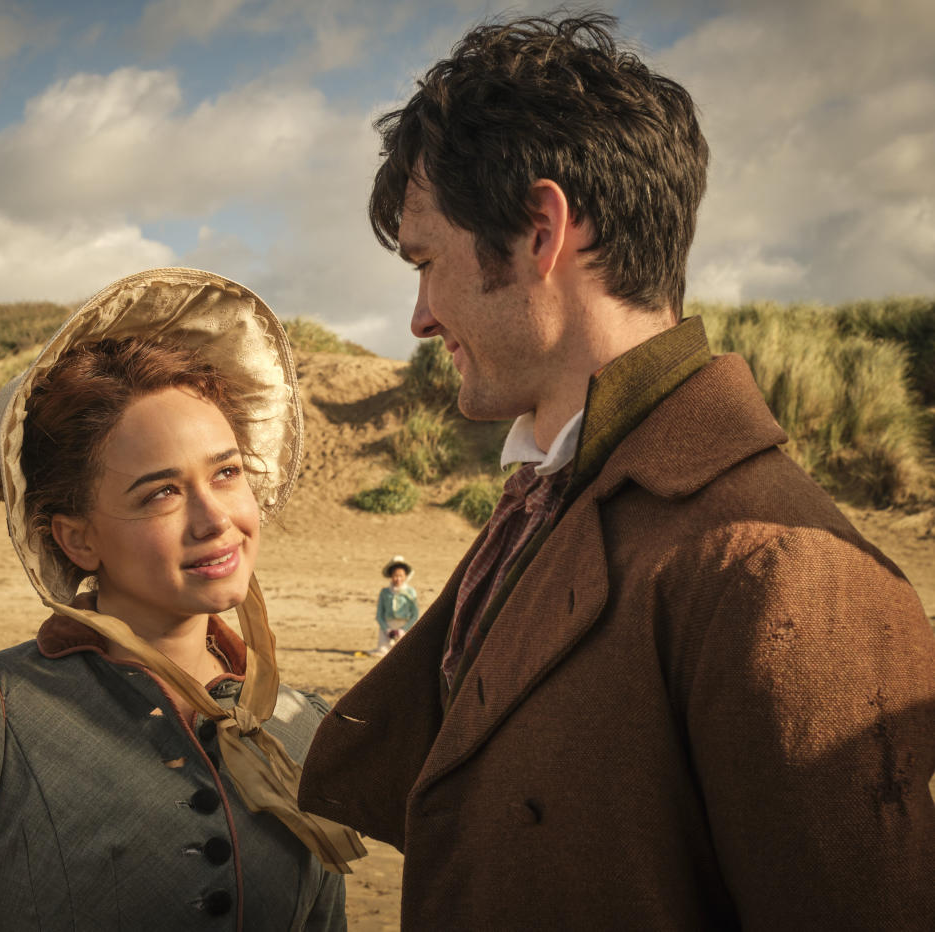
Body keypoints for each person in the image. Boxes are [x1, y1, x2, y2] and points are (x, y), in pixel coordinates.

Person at [298, 13, 935, 929]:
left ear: (540, 231)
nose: (420, 319)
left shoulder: (784, 574)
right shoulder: (558, 495)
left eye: (428, 262)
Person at [0, 268, 363, 930]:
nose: (214, 519)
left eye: (226, 473)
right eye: (161, 492)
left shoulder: (300, 728)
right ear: (77, 539)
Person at [368, 555, 418, 657]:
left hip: (405, 628)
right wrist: (387, 630)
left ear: (405, 576)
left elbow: (415, 614)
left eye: (401, 575)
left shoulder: (411, 592)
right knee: (383, 653)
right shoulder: (384, 592)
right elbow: (379, 615)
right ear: (391, 576)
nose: (398, 579)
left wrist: (403, 630)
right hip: (387, 628)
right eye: (395, 575)